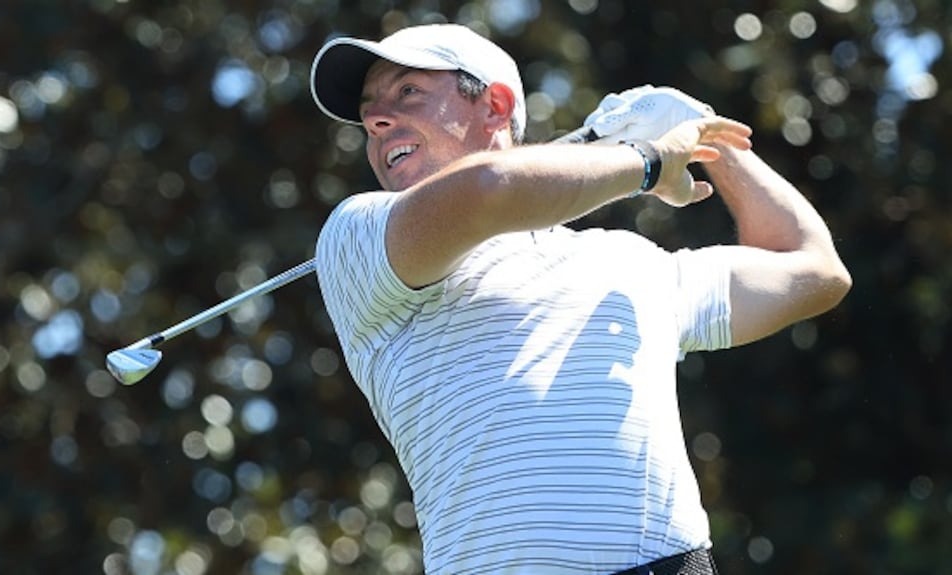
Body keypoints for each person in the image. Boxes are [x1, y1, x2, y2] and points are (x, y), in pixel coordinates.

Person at [308, 23, 851, 575]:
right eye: (369, 110)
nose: (375, 121)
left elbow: (816, 270)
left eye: (407, 92)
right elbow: (489, 188)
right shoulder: (358, 239)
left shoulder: (631, 262)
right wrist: (648, 161)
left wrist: (705, 138)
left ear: (495, 104)